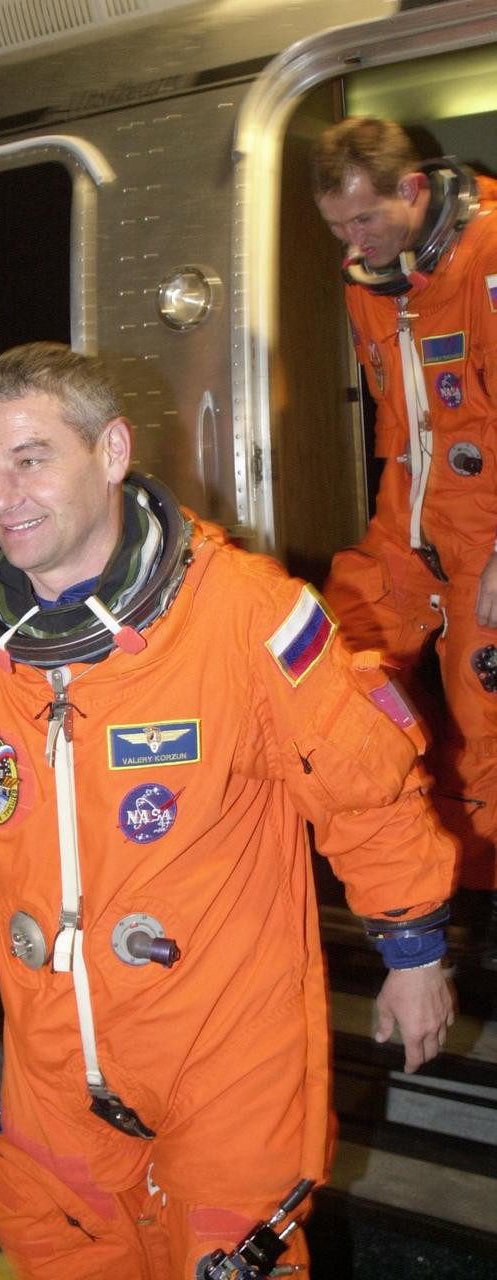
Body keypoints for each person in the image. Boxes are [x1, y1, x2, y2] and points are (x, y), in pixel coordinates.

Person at [0, 341, 457, 1279]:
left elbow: (366, 791)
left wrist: (412, 952)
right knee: (62, 1242)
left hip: (221, 1039)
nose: (1, 497)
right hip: (51, 1041)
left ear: (112, 451)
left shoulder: (246, 615)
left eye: (31, 458)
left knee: (228, 1253)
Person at [311, 116, 497, 965]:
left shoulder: (488, 251)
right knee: (336, 672)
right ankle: (404, 880)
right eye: (340, 228)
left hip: (486, 530)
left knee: (484, 719)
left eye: (365, 221)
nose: (354, 241)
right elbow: (401, 423)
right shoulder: (368, 284)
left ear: (413, 188)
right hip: (408, 523)